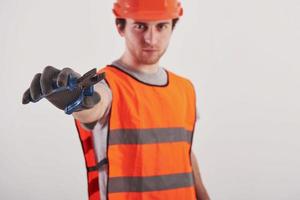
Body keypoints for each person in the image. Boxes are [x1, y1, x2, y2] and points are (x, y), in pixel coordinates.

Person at [22, 0, 210, 199]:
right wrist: (79, 99)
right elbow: (95, 105)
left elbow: (184, 151)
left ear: (172, 27)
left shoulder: (185, 88)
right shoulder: (108, 83)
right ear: (120, 27)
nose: (151, 39)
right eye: (140, 26)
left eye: (161, 26)